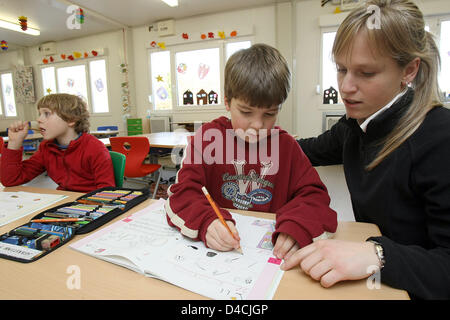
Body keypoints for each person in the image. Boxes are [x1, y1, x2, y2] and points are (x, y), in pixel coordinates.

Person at [281, 0, 450, 299]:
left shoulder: (439, 137)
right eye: (341, 69)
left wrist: (378, 255)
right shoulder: (355, 126)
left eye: (366, 73)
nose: (345, 87)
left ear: (409, 70)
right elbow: (308, 150)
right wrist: (257, 141)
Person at [165, 44, 337, 258]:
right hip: (217, 256)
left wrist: (298, 225)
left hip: (269, 257)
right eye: (246, 112)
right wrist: (206, 221)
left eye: (269, 114)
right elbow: (182, 192)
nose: (257, 124)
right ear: (227, 102)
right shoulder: (208, 139)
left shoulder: (287, 147)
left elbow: (314, 198)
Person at [1, 93, 115, 192]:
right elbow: (11, 180)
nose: (39, 119)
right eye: (39, 114)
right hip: (64, 201)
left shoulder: (94, 148)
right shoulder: (46, 147)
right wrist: (14, 143)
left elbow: (106, 192)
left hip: (90, 204)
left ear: (71, 120)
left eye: (46, 114)